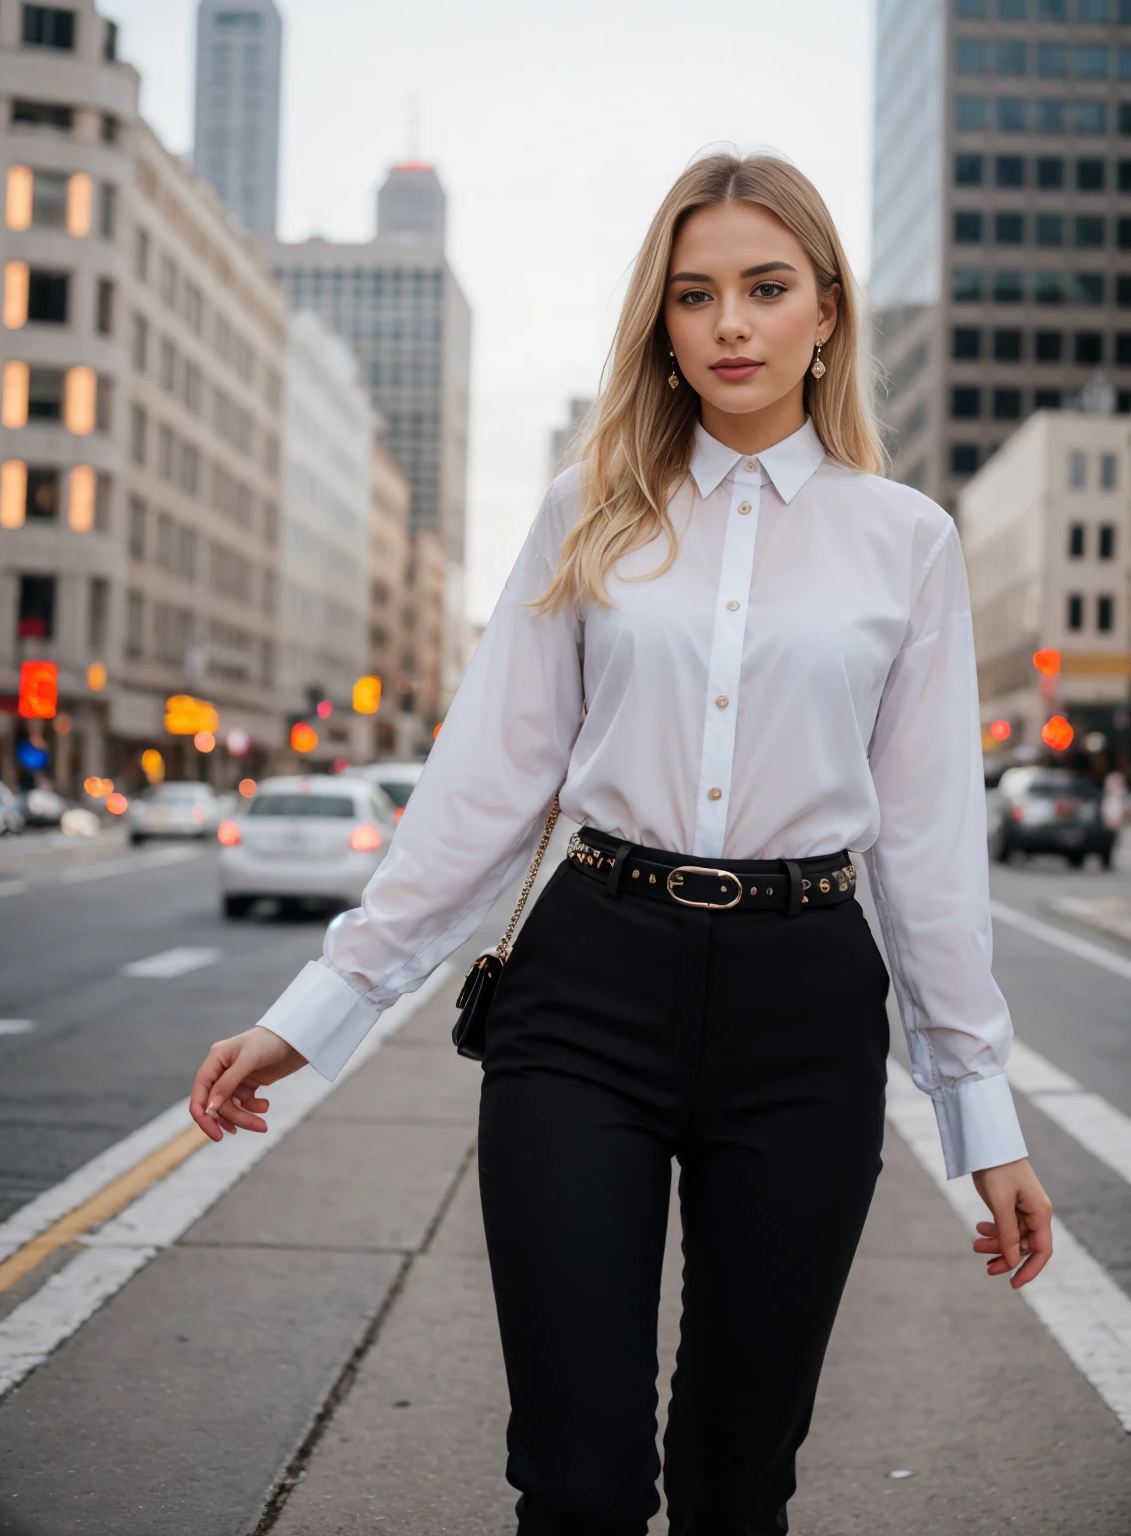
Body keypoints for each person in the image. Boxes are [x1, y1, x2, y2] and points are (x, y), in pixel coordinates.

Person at [190, 152, 1054, 1536]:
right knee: (579, 1483)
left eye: (766, 289)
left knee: (736, 1483)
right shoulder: (587, 509)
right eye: (695, 294)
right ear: (660, 322)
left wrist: (980, 1110)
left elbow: (929, 848)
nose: (731, 325)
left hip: (803, 1010)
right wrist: (323, 1006)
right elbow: (486, 786)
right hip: (586, 989)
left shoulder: (909, 543)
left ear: (825, 310)